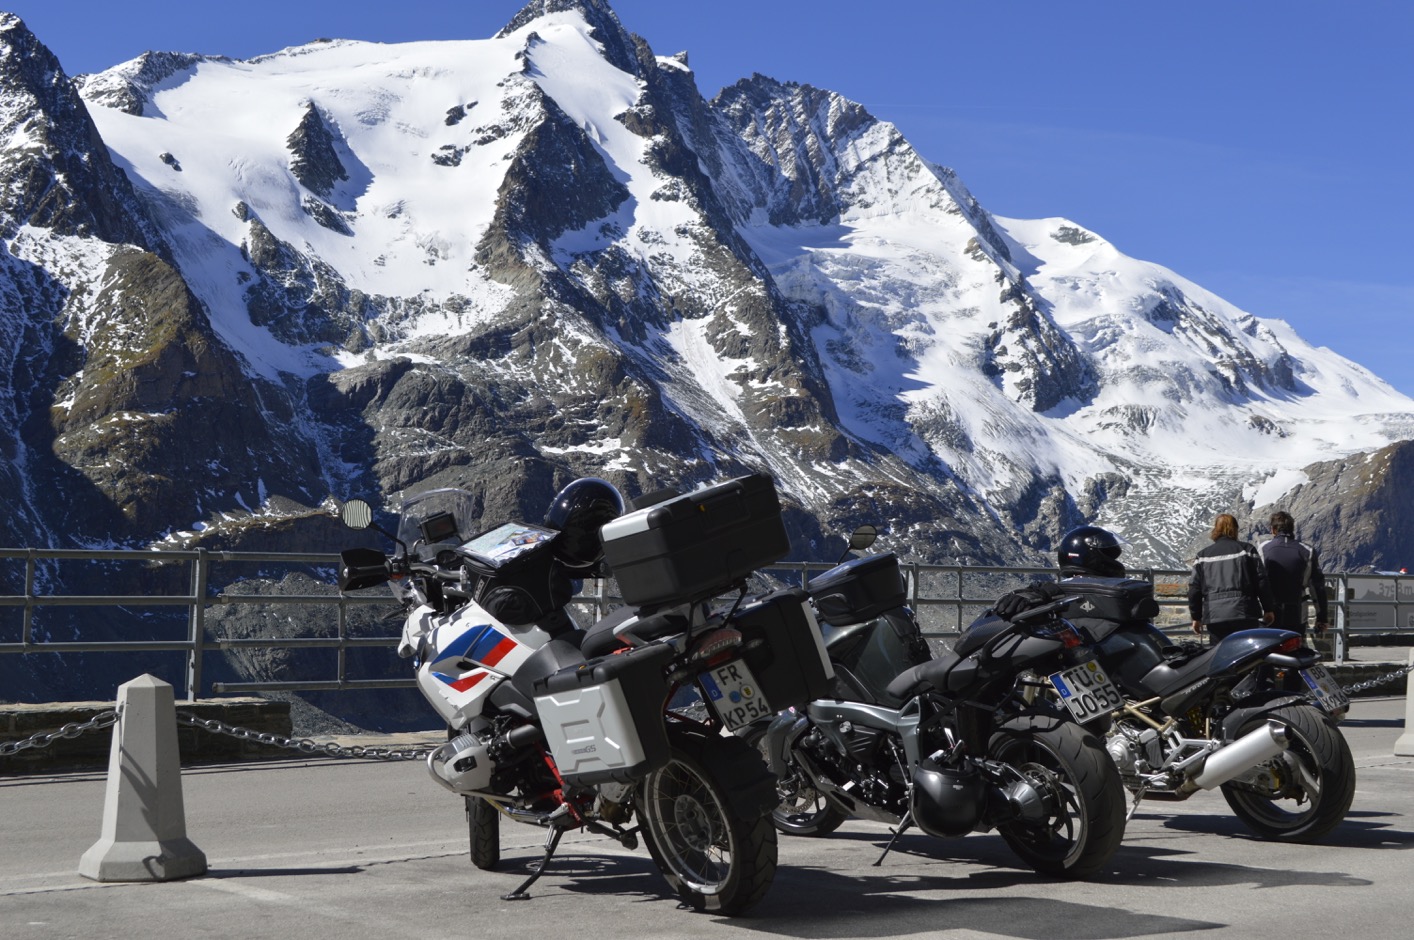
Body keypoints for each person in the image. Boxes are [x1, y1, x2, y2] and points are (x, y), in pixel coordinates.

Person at [1187, 513, 1275, 643]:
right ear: (1235, 529)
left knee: (1220, 656)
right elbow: (1261, 581)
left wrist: (1196, 617)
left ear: (1215, 530)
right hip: (1244, 612)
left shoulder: (1203, 556)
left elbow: (1194, 588)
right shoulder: (1247, 550)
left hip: (1215, 615)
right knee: (1246, 656)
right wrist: (1268, 608)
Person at [1258, 510, 1330, 639]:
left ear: (1273, 530)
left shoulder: (1263, 548)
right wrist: (1322, 618)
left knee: (1269, 650)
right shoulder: (1307, 551)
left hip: (1270, 610)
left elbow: (1258, 580)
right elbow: (1317, 587)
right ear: (1292, 529)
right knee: (1294, 647)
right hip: (1297, 610)